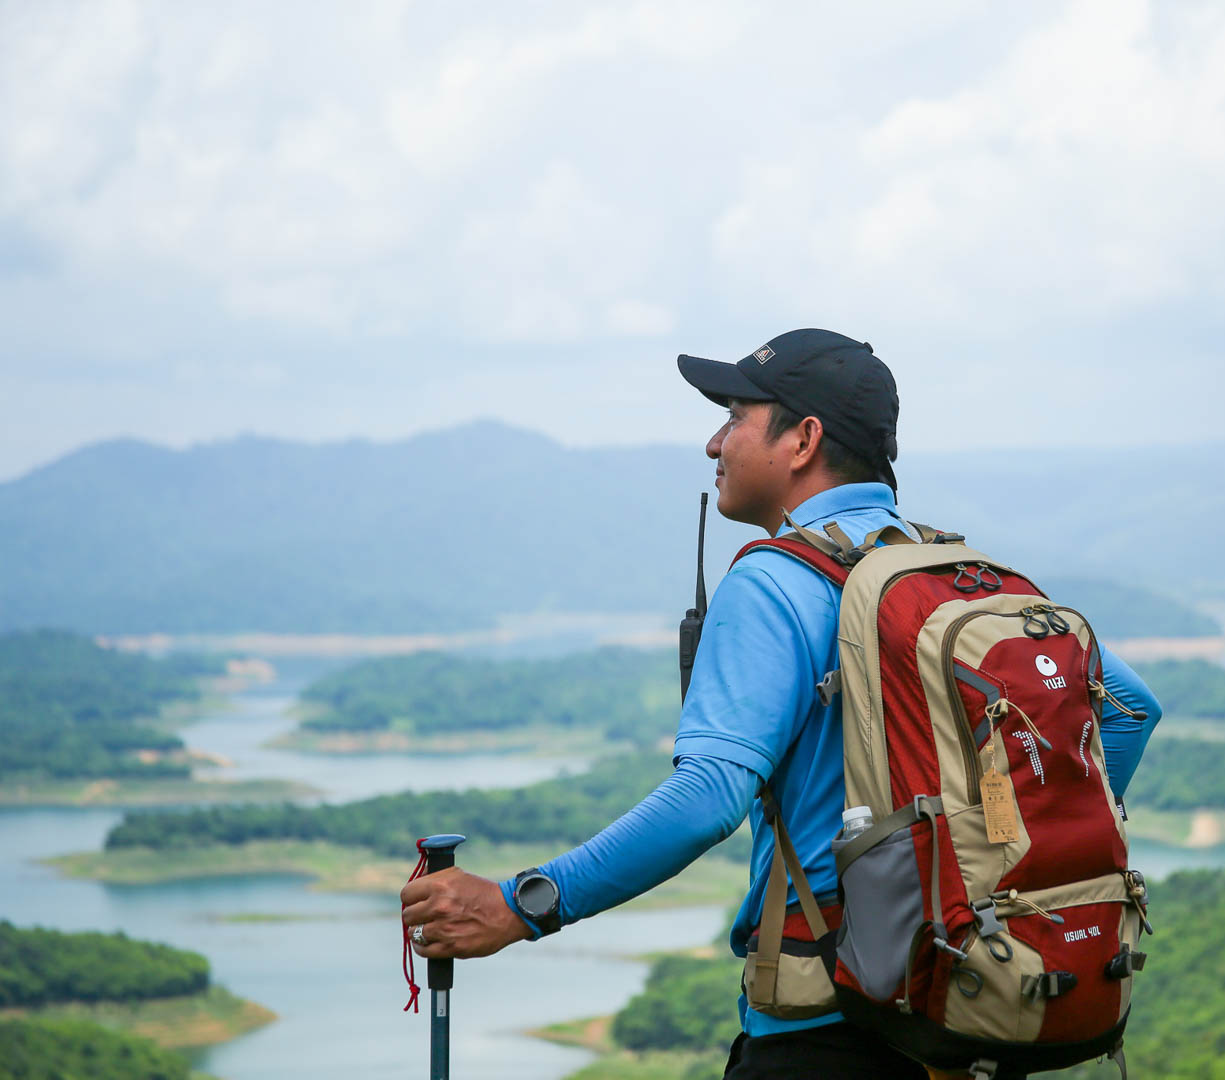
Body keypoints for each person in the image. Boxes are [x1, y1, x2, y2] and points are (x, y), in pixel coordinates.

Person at [401, 329, 1164, 1080]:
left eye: (735, 416)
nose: (713, 443)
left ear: (803, 439)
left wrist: (523, 904)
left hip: (827, 1027)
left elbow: (707, 799)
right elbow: (1129, 709)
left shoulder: (775, 580)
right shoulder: (958, 574)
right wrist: (987, 866)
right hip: (962, 999)